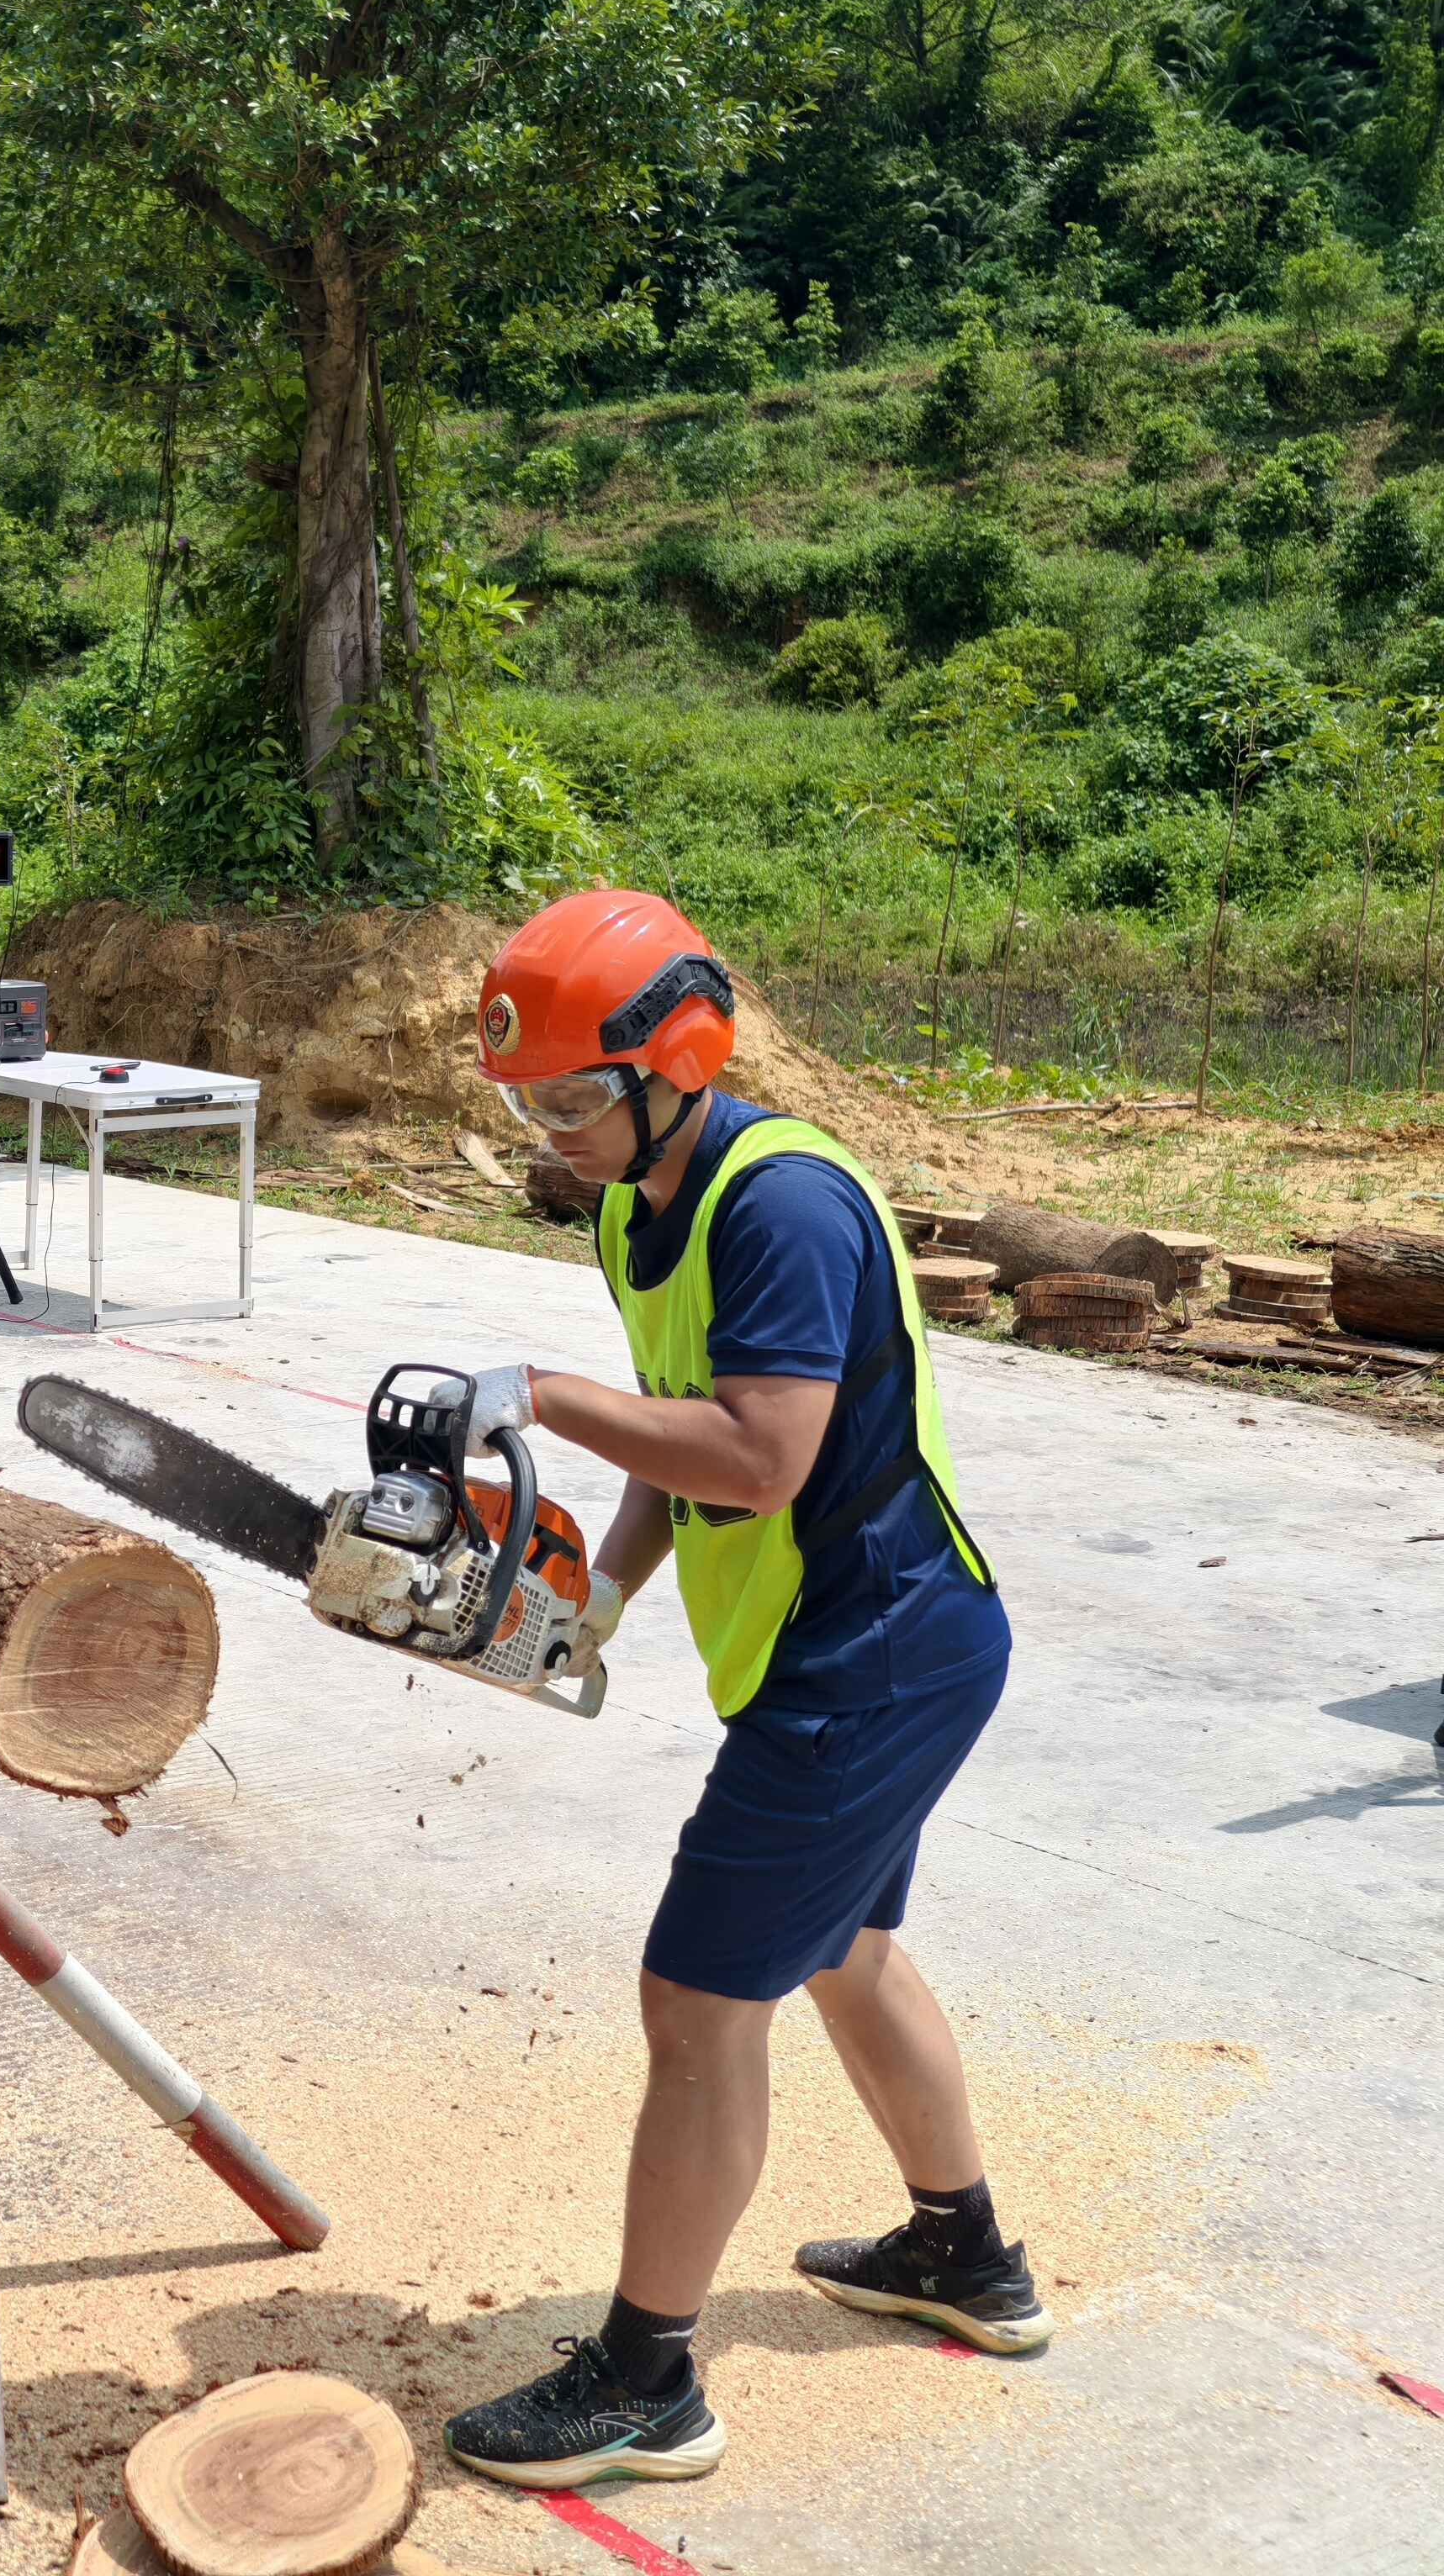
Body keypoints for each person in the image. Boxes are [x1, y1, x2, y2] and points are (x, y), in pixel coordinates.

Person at [439, 888, 1042, 2493]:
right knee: (848, 1945)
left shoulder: (776, 1203)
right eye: (529, 1104)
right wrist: (596, 1605)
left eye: (576, 1097)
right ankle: (963, 2254)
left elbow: (763, 1454)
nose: (556, 1131)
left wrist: (544, 1397)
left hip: (873, 1646)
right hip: (858, 1639)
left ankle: (647, 2376)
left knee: (698, 2000)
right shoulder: (640, 1196)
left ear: (678, 1057)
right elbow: (680, 1424)